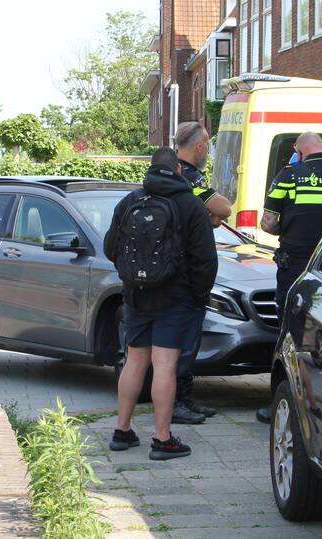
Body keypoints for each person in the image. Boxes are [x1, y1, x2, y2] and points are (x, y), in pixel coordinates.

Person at [105, 146, 218, 461]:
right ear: (179, 170)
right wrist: (198, 295)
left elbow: (109, 247)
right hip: (176, 299)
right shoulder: (191, 205)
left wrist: (132, 278)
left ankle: (122, 430)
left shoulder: (131, 201)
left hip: (137, 296)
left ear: (150, 169)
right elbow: (205, 261)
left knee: (135, 361)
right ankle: (162, 438)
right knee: (165, 365)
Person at [258, 132, 322, 422]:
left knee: (291, 333)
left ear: (299, 151)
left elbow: (268, 222)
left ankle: (287, 401)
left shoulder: (290, 175)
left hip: (297, 268)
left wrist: (290, 227)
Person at [172, 122, 231, 424]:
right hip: (188, 275)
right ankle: (178, 403)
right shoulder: (190, 177)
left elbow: (215, 218)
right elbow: (224, 209)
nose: (207, 150)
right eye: (207, 144)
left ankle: (185, 399)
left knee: (187, 341)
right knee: (184, 342)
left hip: (182, 272)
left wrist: (211, 216)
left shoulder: (172, 175)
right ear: (198, 146)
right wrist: (212, 214)